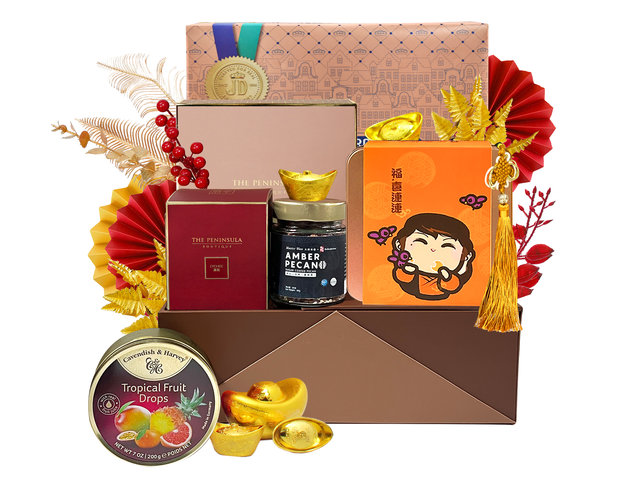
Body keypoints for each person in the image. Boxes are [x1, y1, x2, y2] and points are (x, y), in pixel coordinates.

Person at [390, 213, 475, 300]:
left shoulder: (450, 277)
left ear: (464, 254)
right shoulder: (410, 272)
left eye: (447, 245)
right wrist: (408, 271)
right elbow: (402, 277)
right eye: (421, 241)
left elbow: (453, 285)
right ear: (399, 245)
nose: (433, 249)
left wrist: (448, 277)